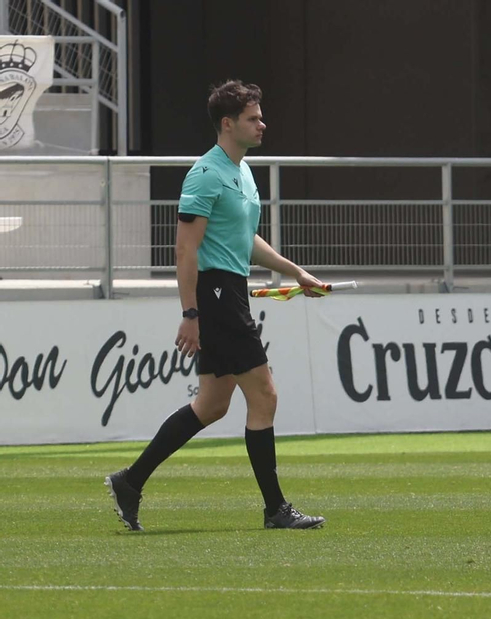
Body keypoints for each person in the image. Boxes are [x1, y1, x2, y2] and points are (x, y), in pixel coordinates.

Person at [105, 80, 326, 532]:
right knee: (264, 394)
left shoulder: (242, 171)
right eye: (252, 118)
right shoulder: (205, 174)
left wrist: (295, 271)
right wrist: (191, 314)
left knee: (211, 405)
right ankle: (275, 510)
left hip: (231, 290)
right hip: (217, 296)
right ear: (228, 124)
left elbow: (245, 242)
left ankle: (130, 481)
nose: (262, 123)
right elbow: (186, 250)